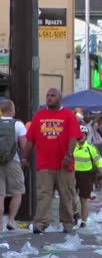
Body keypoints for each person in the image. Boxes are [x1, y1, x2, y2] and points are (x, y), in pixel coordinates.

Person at [21, 89, 84, 234]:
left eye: (53, 95)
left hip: (64, 164)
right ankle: (41, 223)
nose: (49, 98)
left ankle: (67, 222)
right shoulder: (39, 116)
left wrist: (69, 155)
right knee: (44, 194)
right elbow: (30, 140)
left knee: (66, 193)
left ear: (60, 99)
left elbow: (74, 137)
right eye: (47, 95)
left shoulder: (69, 115)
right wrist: (24, 157)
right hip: (45, 164)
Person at [0, 99, 27, 231]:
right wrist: (25, 159)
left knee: (0, 194)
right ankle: (11, 220)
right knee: (17, 191)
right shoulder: (18, 125)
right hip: (13, 161)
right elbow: (24, 146)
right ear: (12, 110)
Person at [73, 126, 102, 228]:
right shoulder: (72, 146)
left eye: (83, 134)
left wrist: (100, 171)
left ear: (86, 136)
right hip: (73, 174)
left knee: (84, 199)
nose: (81, 136)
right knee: (72, 198)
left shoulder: (91, 148)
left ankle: (84, 221)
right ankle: (75, 213)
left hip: (86, 175)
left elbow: (99, 159)